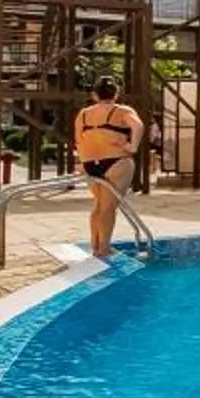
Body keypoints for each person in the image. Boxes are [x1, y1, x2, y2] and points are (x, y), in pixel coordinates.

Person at [71, 74, 143, 259]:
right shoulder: (122, 110)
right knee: (108, 208)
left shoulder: (84, 114)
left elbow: (78, 140)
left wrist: (82, 161)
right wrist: (132, 146)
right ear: (116, 93)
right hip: (116, 161)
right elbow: (138, 126)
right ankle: (103, 249)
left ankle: (95, 245)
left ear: (95, 95)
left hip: (90, 163)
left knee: (98, 206)